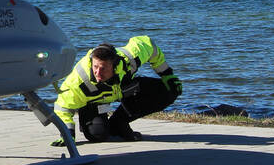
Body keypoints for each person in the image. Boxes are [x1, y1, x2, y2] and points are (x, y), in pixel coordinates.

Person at [51, 38, 182, 143]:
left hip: (123, 90)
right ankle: (106, 124)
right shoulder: (79, 81)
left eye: (103, 68)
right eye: (95, 67)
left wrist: (167, 74)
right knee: (98, 135)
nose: (98, 72)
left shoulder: (129, 59)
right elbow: (62, 107)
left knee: (170, 89)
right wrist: (68, 133)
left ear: (114, 65)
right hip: (95, 103)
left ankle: (119, 123)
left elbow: (149, 45)